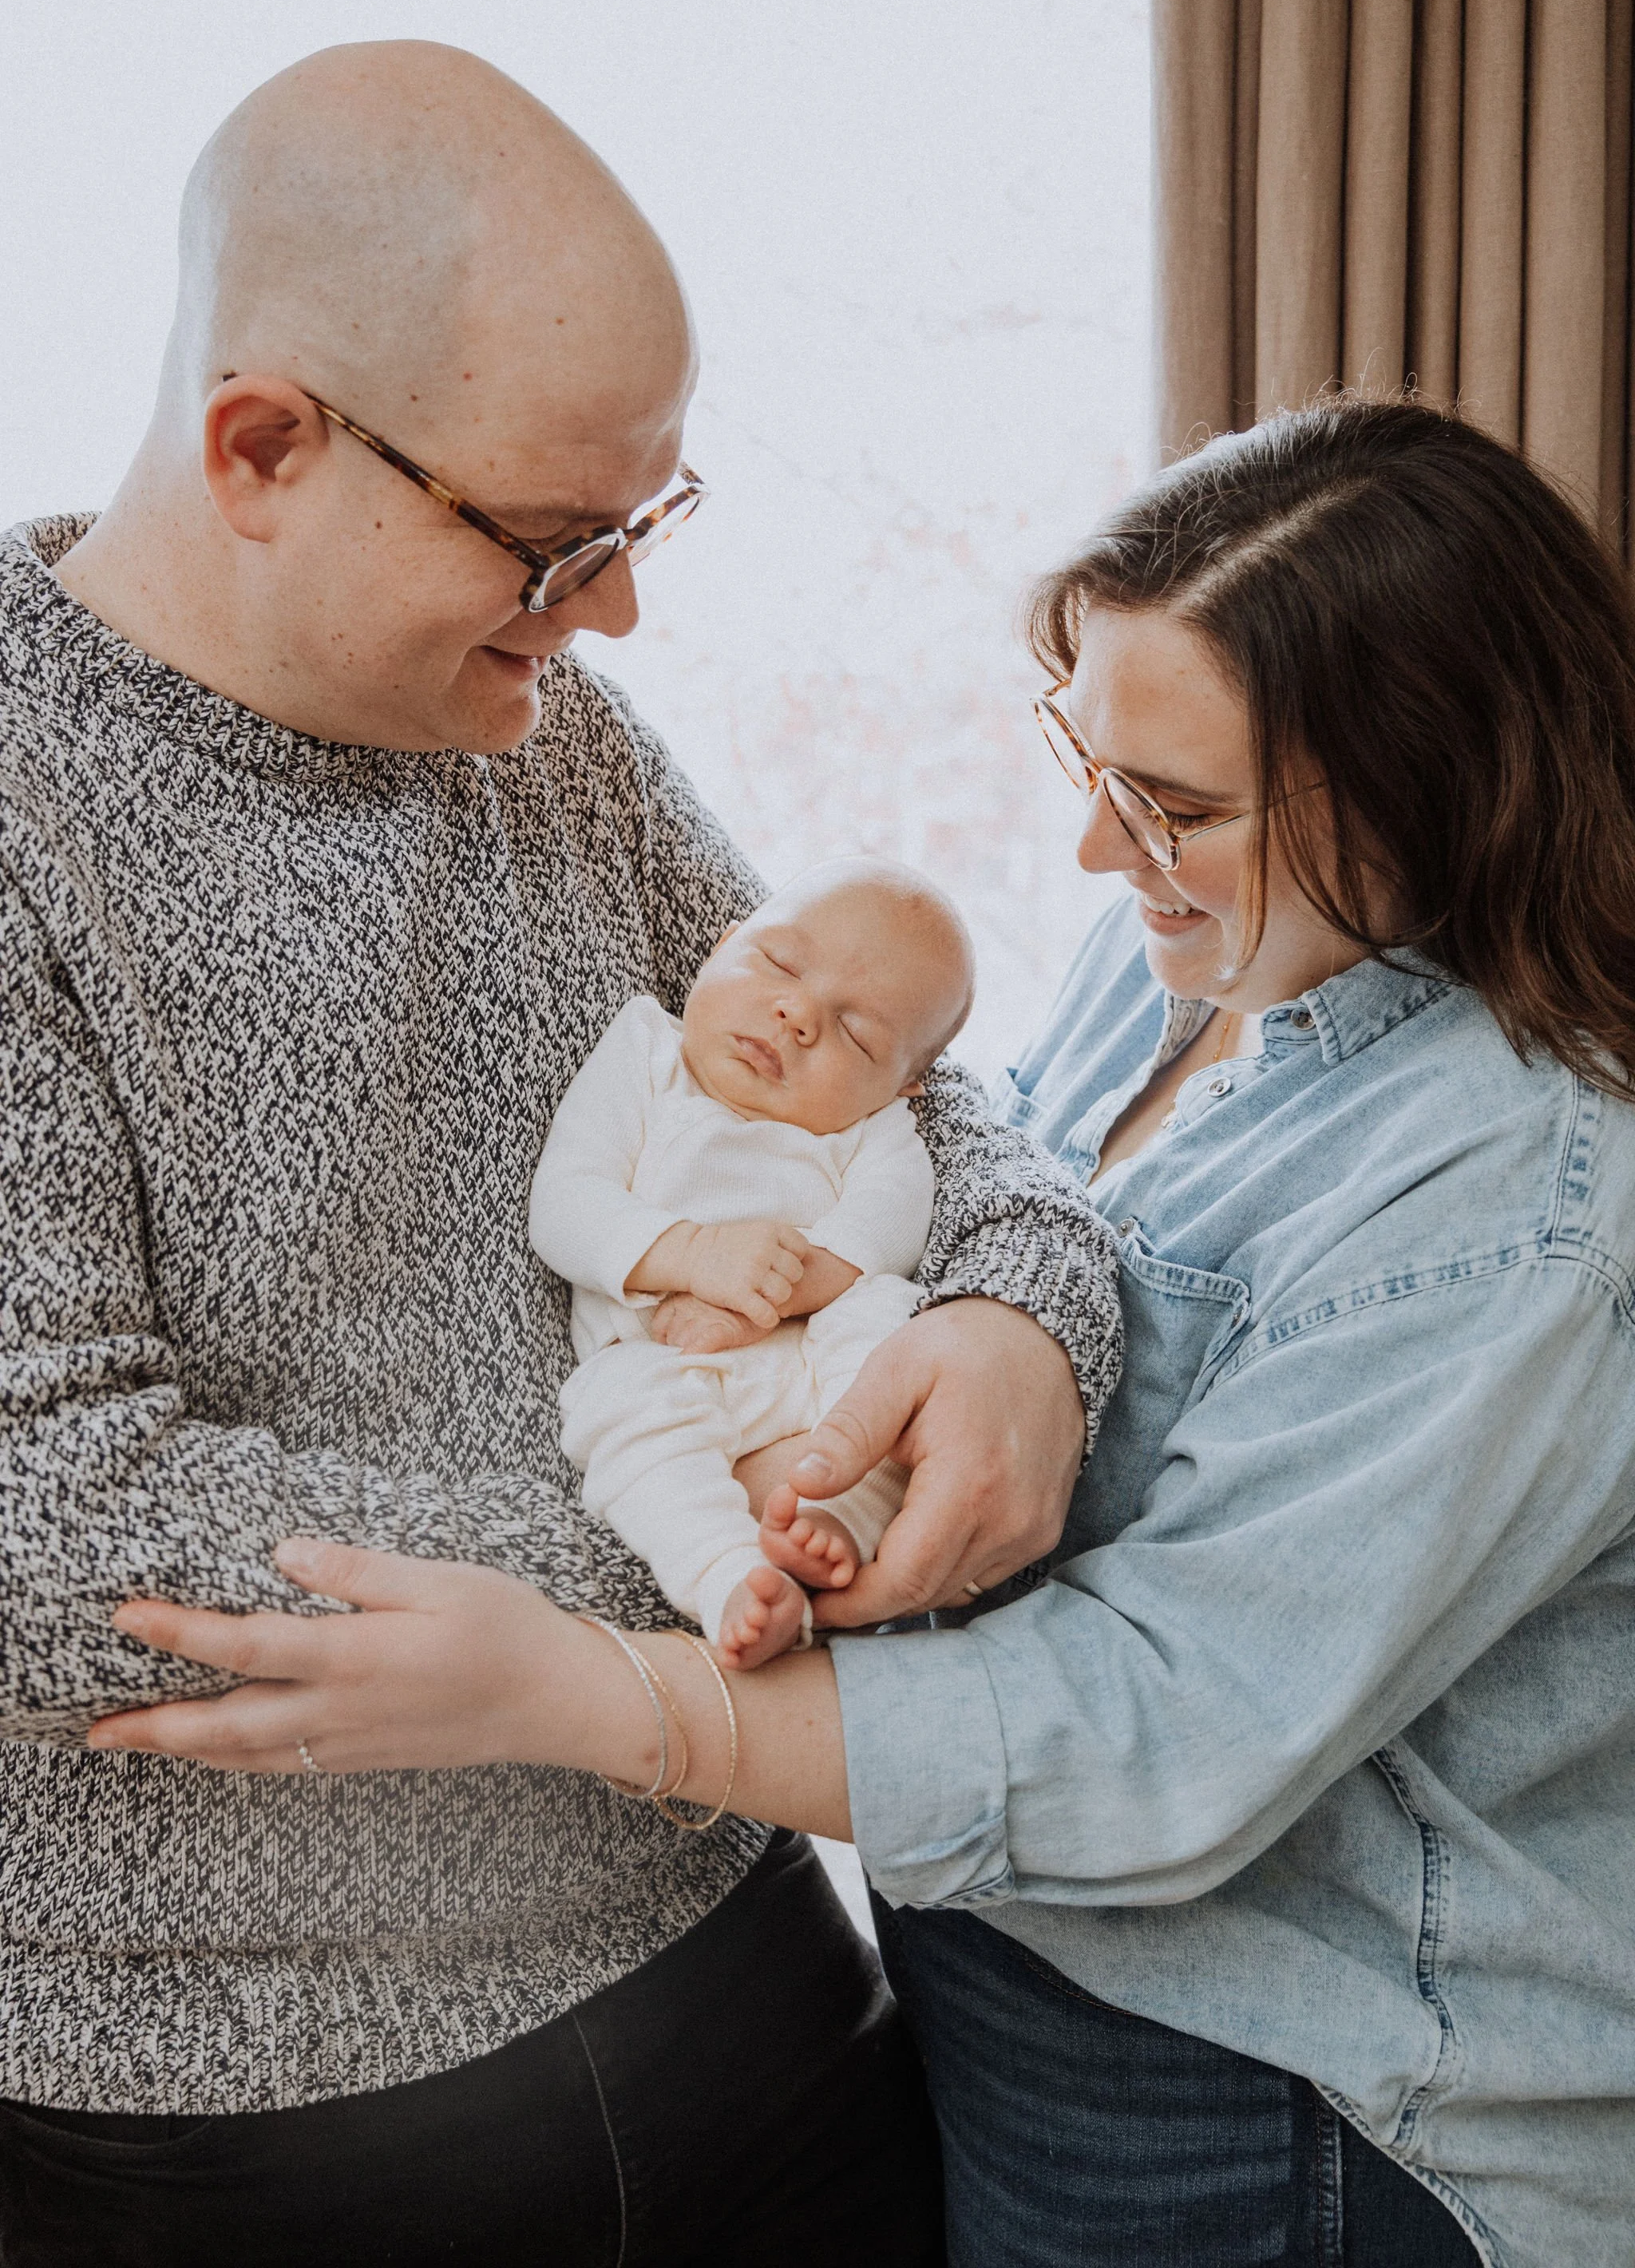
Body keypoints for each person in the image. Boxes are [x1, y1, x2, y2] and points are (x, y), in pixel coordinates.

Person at [108, 399, 1635, 2268]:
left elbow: (1163, 1737)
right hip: (1013, 1980)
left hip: (1285, 2100)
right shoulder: (1191, 951)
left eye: (1175, 806)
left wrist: (582, 1695)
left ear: (1442, 789)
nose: (1093, 846)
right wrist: (1010, 1317)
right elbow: (967, 1154)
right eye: (1085, 751)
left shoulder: (1534, 1201)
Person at [0, 38, 1126, 2266]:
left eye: (645, 526)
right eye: (558, 540)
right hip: (219, 2110)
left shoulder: (543, 724)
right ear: (261, 446)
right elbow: (51, 1516)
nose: (615, 612)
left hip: (737, 1956)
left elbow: (890, 1068)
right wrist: (737, 1551)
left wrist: (1022, 1310)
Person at [533, 857, 982, 1668]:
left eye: (857, 1033)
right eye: (778, 962)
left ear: (904, 1086)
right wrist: (692, 1255)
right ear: (722, 944)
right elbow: (566, 1202)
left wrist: (772, 1296)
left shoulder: (873, 1130)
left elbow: (885, 1231)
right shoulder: (647, 1052)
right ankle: (728, 1577)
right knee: (615, 1416)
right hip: (662, 1361)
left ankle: (845, 1511)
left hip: (809, 1371)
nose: (797, 1014)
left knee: (889, 1318)